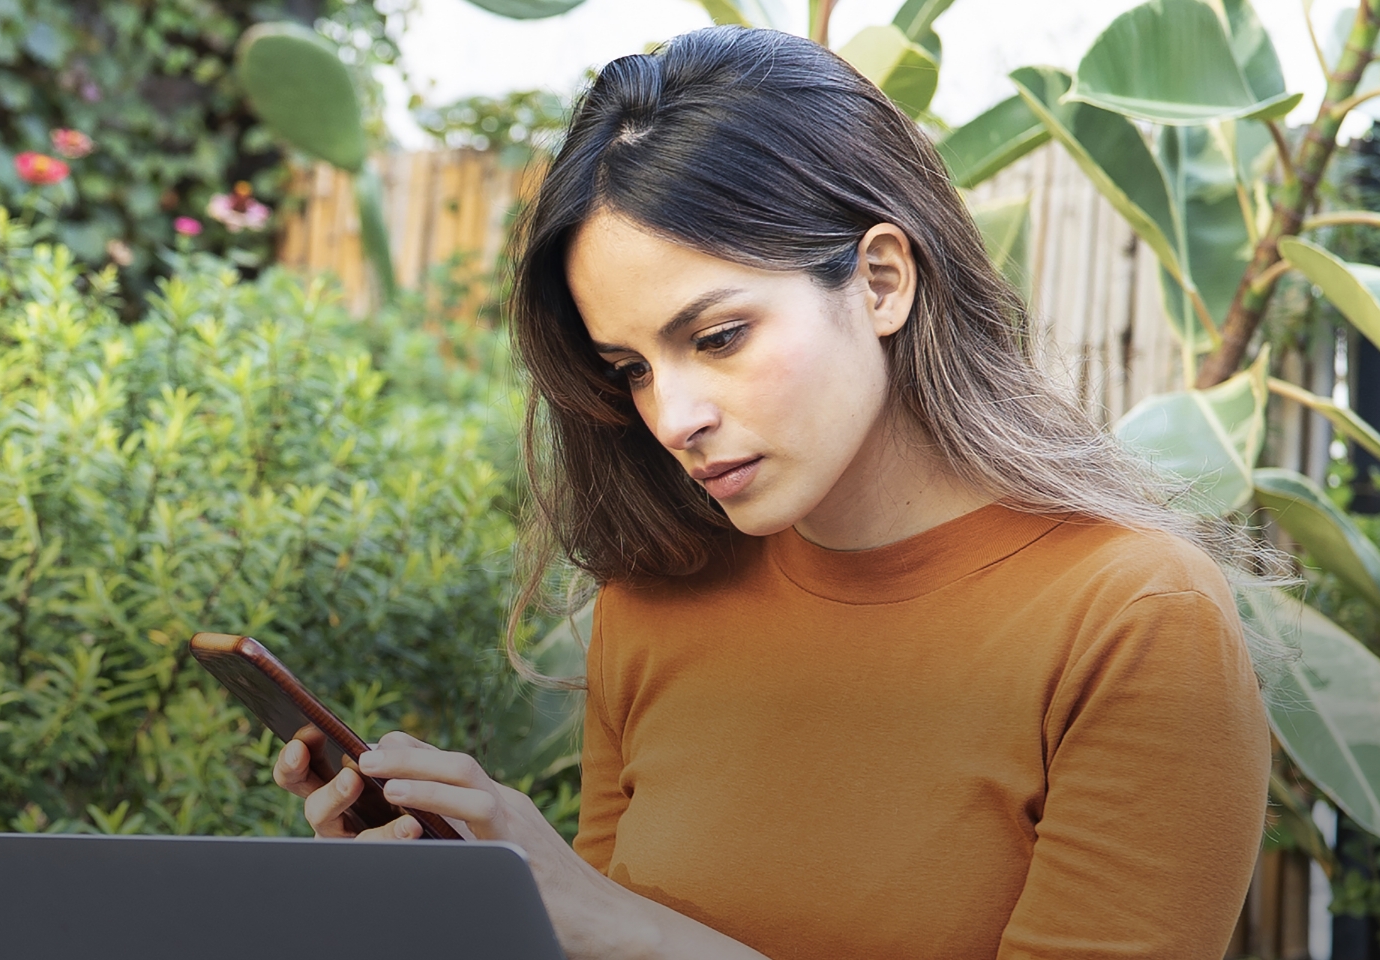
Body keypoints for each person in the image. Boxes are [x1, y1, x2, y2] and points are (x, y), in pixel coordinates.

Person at [272, 25, 1273, 960]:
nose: (674, 417)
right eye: (632, 369)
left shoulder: (1135, 617)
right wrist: (474, 906)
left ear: (881, 281)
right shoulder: (655, 604)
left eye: (717, 337)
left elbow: (621, 931)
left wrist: (611, 918)